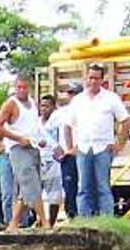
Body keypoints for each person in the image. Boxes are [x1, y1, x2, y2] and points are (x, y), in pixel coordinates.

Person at [64, 62, 130, 217]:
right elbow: (67, 125)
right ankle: (85, 221)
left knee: (103, 187)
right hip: (83, 148)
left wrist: (119, 144)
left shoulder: (111, 98)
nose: (93, 81)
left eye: (96, 78)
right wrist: (70, 148)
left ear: (102, 80)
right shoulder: (78, 100)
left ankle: (107, 220)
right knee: (83, 187)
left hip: (103, 148)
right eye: (91, 78)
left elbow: (126, 120)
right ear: (86, 78)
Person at [0, 73, 48, 230]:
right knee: (31, 183)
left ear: (29, 88)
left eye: (24, 87)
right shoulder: (10, 104)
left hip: (33, 147)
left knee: (24, 189)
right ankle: (45, 221)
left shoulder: (32, 103)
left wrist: (40, 139)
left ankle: (13, 223)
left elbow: (34, 125)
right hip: (18, 149)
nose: (22, 90)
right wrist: (17, 138)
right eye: (19, 87)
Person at [55, 82, 81, 219]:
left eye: (74, 93)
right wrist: (55, 147)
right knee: (69, 187)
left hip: (83, 152)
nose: (72, 96)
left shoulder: (87, 110)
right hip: (67, 155)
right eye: (70, 93)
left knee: (84, 186)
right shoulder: (61, 112)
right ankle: (72, 215)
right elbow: (47, 130)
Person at [39, 95, 64, 225]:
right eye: (42, 106)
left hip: (54, 161)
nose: (43, 109)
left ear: (53, 107)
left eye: (46, 106)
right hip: (38, 161)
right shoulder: (36, 123)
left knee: (55, 195)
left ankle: (51, 224)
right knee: (35, 194)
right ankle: (40, 220)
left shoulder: (59, 122)